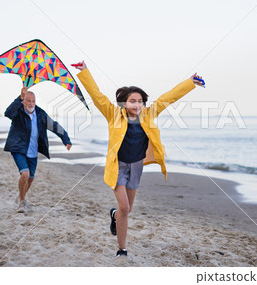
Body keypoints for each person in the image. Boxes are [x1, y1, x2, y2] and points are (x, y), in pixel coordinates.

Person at [75, 61, 203, 258]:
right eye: (132, 101)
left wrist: (190, 83)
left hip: (136, 166)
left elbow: (168, 98)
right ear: (124, 103)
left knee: (126, 210)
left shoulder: (148, 115)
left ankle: (115, 216)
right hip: (117, 167)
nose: (136, 104)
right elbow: (97, 96)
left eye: (140, 101)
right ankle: (122, 249)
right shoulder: (113, 114)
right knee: (125, 206)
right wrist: (85, 72)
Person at [4, 87, 72, 213]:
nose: (31, 104)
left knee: (30, 178)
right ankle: (22, 202)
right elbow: (8, 113)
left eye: (33, 101)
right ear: (24, 101)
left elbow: (54, 125)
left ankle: (20, 196)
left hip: (33, 150)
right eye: (28, 101)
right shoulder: (18, 110)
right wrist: (19, 98)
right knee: (25, 174)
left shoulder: (40, 114)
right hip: (18, 148)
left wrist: (66, 139)